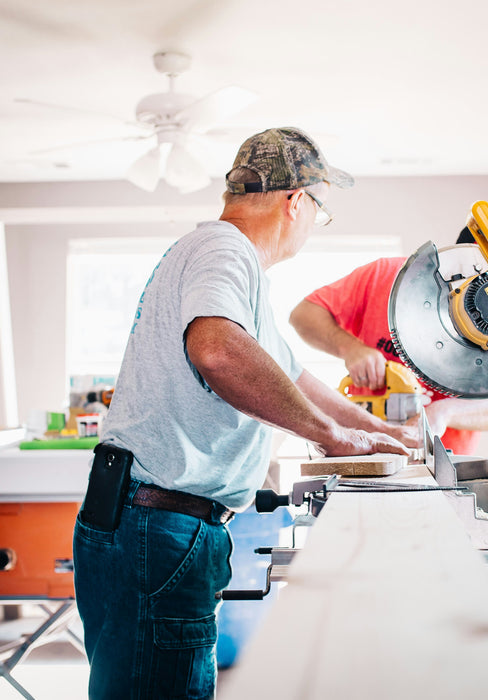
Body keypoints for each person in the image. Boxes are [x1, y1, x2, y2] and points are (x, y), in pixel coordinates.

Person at [72, 127, 415, 700]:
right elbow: (216, 349)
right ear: (296, 201)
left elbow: (292, 374)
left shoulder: (226, 263)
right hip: (157, 528)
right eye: (319, 211)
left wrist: (375, 430)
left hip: (147, 522)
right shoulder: (224, 249)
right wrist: (331, 436)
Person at [289, 226, 488, 455]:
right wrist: (349, 348)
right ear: (455, 256)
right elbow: (304, 314)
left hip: (444, 464)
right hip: (363, 448)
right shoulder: (387, 276)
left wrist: (445, 411)